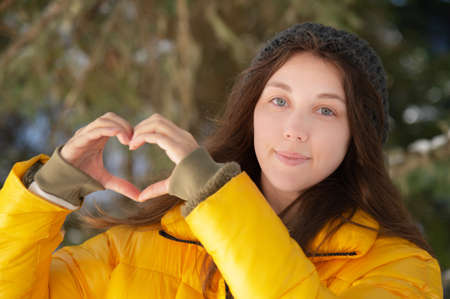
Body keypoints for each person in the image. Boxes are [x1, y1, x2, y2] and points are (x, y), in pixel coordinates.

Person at [0, 22, 443, 299]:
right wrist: (47, 192)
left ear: (358, 135)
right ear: (250, 110)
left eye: (326, 110)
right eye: (279, 101)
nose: (295, 128)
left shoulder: (402, 270)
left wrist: (216, 198)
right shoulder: (138, 246)